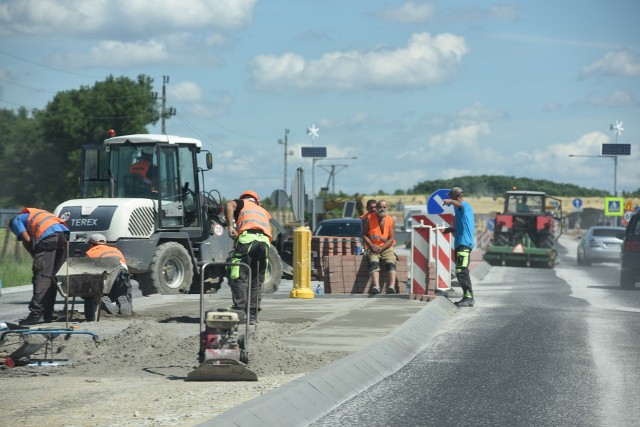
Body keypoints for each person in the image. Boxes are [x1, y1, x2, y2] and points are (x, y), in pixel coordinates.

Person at [10, 208, 70, 325]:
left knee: (42, 276)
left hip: (49, 237)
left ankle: (35, 314)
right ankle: (48, 313)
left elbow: (26, 239)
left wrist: (33, 253)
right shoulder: (36, 214)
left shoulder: (15, 220)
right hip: (64, 236)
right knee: (53, 277)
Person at [225, 190, 272, 324]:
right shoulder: (262, 210)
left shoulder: (242, 203)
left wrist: (230, 227)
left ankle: (239, 310)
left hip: (247, 240)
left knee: (237, 273)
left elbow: (229, 205)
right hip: (264, 243)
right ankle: (252, 316)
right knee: (256, 280)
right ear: (257, 200)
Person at [85, 233, 132, 317]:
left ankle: (105, 306)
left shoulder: (90, 252)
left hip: (107, 273)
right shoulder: (115, 250)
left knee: (101, 291)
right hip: (123, 272)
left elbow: (87, 270)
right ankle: (126, 311)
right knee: (124, 292)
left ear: (91, 244)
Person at [443, 186, 476, 307]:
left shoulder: (465, 206)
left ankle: (469, 297)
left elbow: (460, 204)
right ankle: (467, 296)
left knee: (461, 270)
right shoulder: (460, 211)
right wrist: (451, 229)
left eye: (450, 196)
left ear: (453, 196)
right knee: (461, 270)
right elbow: (463, 226)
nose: (449, 199)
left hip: (464, 243)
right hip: (461, 242)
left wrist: (451, 201)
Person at [362, 199, 397, 295]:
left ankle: (391, 287)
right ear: (376, 208)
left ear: (387, 208)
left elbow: (391, 238)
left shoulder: (390, 220)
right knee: (373, 263)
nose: (382, 209)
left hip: (386, 248)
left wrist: (382, 248)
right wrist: (372, 246)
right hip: (372, 247)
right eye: (380, 207)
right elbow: (364, 235)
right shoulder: (369, 218)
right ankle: (376, 286)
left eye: (384, 207)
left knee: (391, 263)